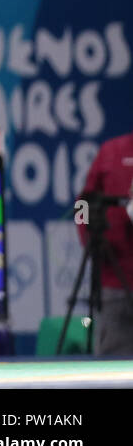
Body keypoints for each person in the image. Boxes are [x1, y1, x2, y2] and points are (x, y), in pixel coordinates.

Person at [76, 129, 133, 355]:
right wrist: (90, 239)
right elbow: (81, 205)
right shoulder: (112, 152)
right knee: (113, 367)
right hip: (115, 283)